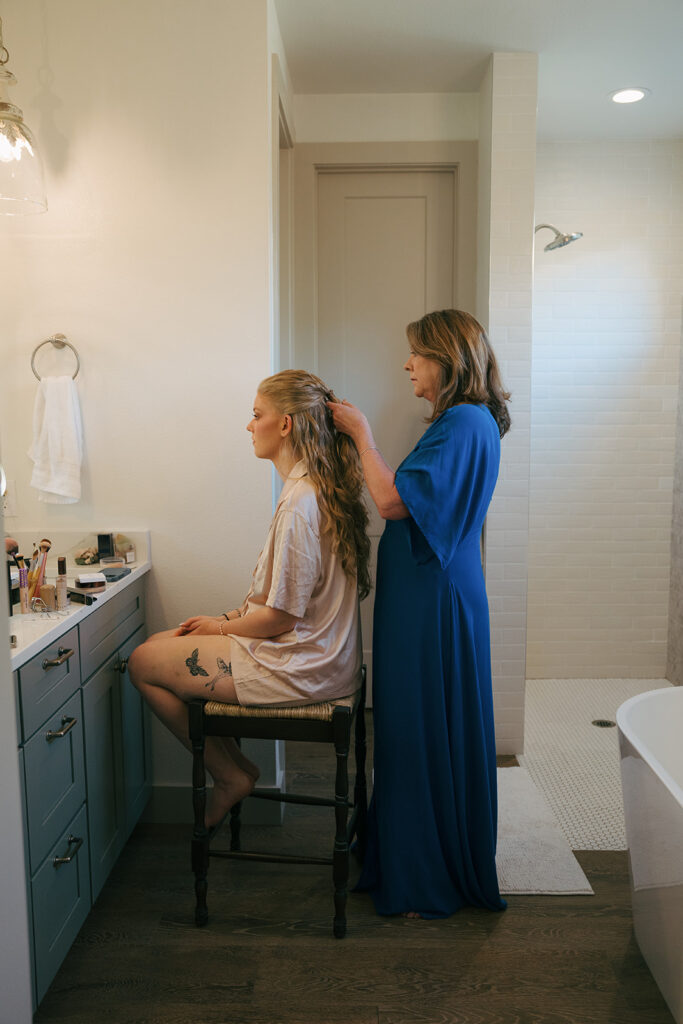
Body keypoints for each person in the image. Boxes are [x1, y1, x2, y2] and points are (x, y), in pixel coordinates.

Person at [327, 308, 510, 918]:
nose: (408, 364)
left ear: (446, 359)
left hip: (432, 602)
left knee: (414, 728)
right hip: (433, 594)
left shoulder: (461, 422)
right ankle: (418, 849)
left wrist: (361, 434)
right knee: (419, 725)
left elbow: (392, 500)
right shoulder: (467, 421)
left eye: (416, 354)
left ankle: (423, 871)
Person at [128, 370, 370, 827]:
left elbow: (280, 617)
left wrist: (220, 629)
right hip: (318, 655)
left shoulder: (301, 502)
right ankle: (235, 771)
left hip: (302, 665)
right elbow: (277, 600)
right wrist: (224, 618)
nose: (248, 425)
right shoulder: (312, 489)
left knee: (142, 662)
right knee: (161, 643)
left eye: (257, 415)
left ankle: (229, 775)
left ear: (285, 425)